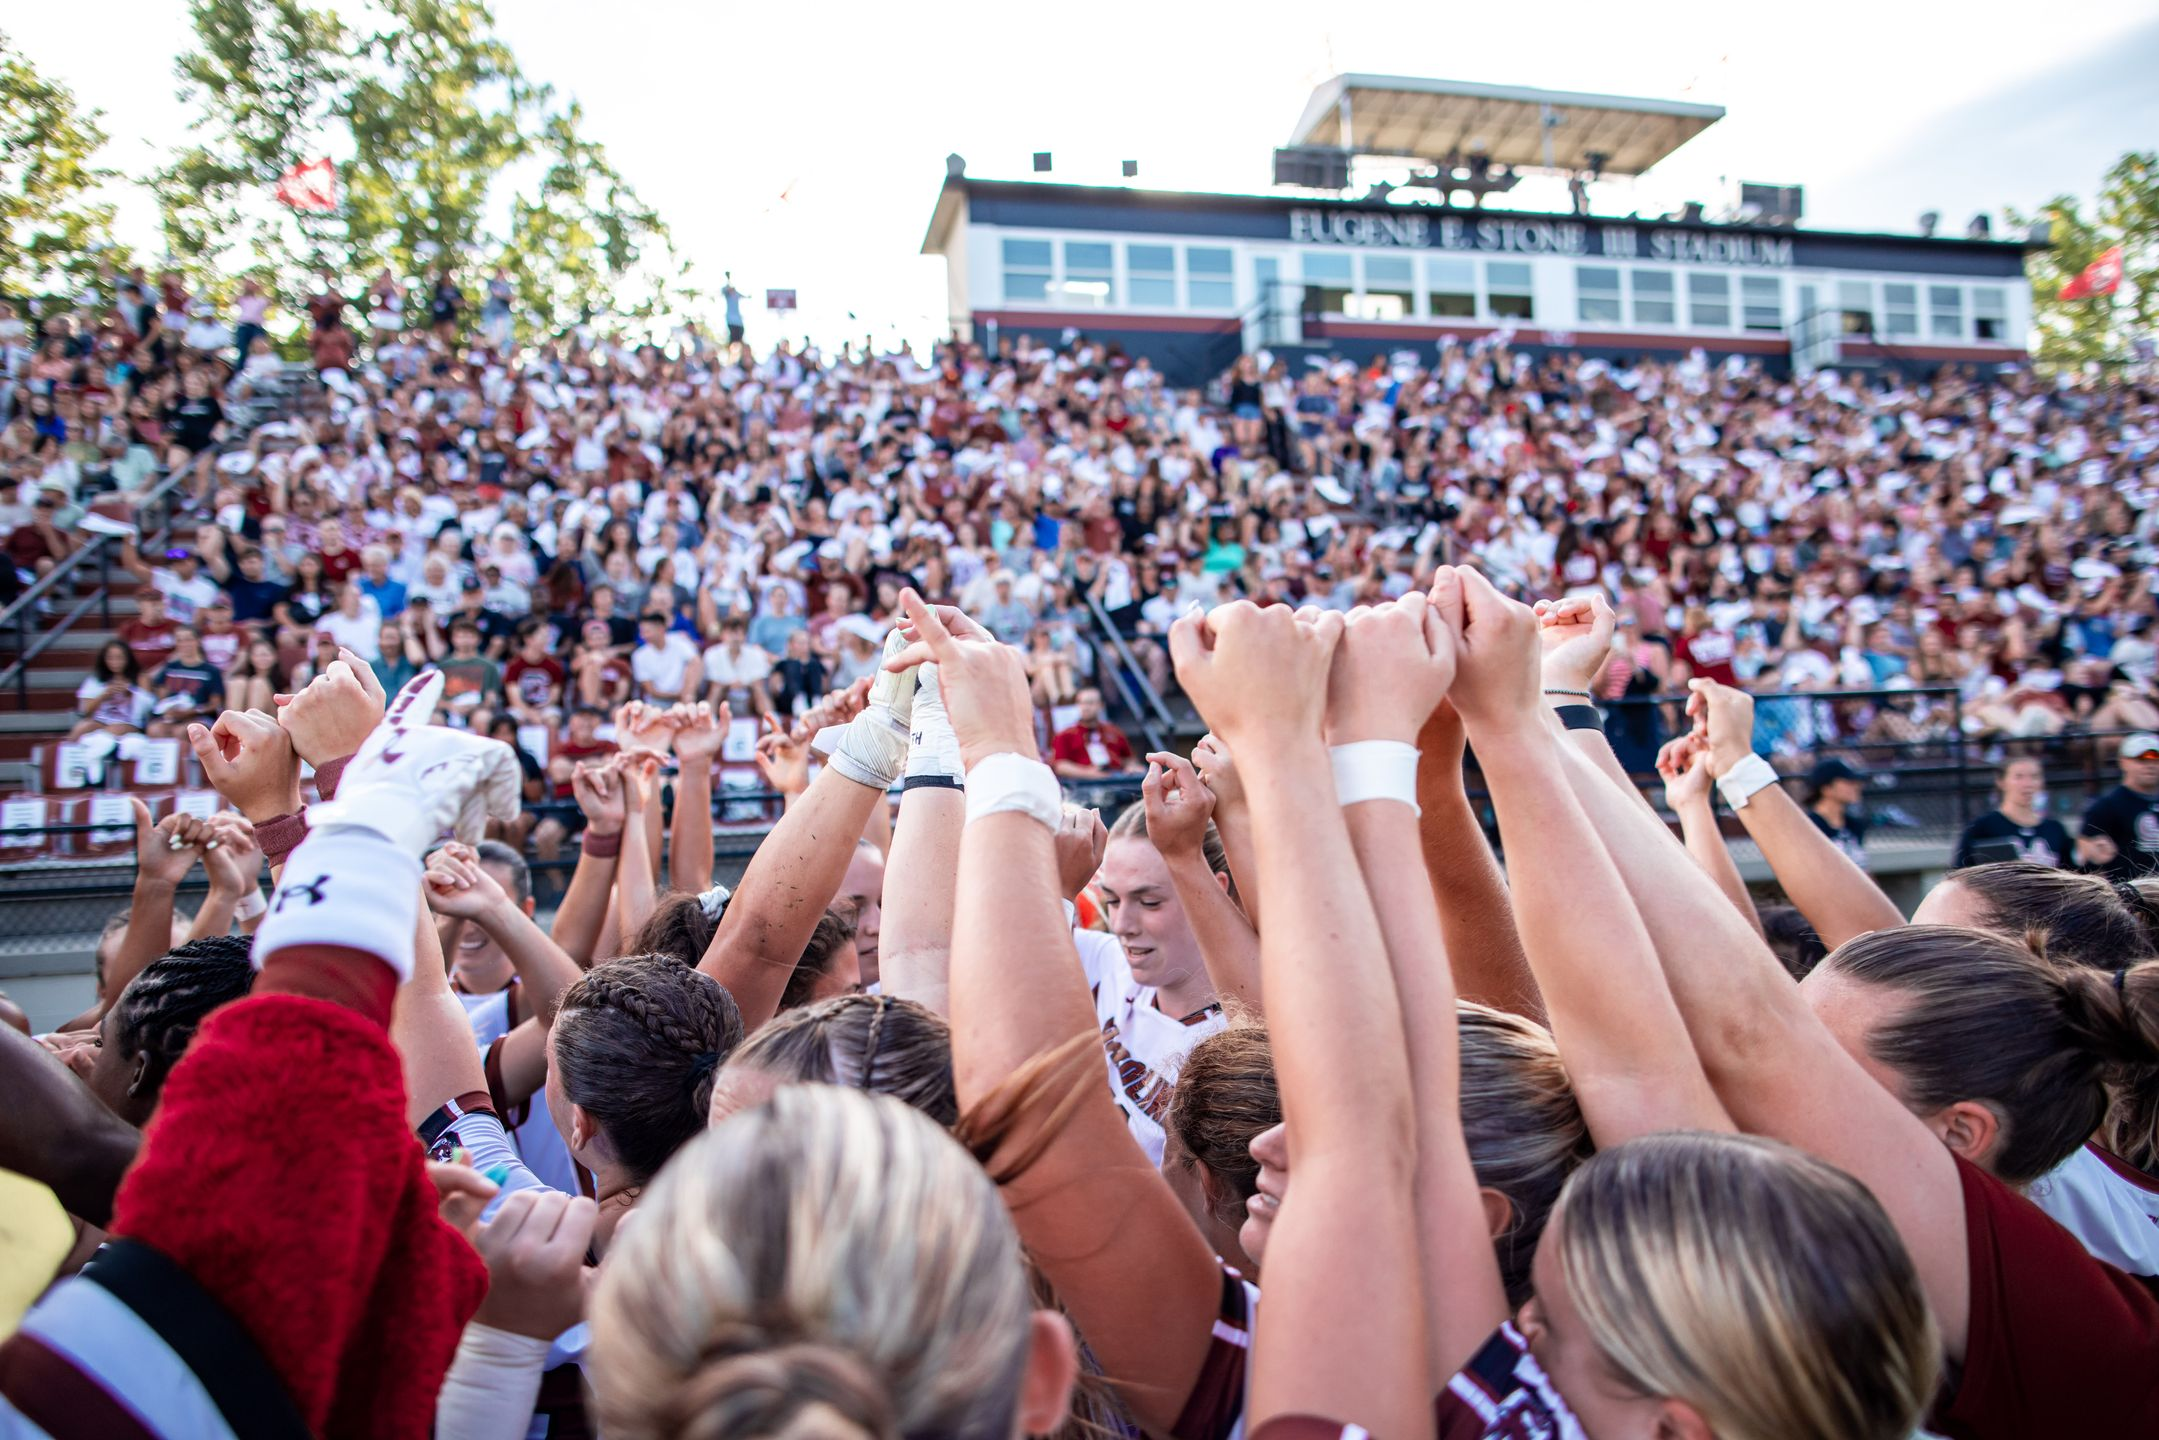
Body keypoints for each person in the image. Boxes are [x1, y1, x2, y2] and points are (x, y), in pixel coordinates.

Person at [1955, 755, 2082, 869]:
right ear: (2001, 782)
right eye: (2019, 777)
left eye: (2034, 777)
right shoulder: (1982, 827)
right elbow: (1959, 872)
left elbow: (2072, 874)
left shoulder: (2055, 828)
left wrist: (2092, 859)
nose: (2027, 784)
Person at [2081, 731, 2159, 881]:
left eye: (2155, 760)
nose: (2150, 766)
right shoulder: (2106, 806)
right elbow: (2087, 859)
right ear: (2123, 762)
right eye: (2141, 760)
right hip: (2129, 892)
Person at [1049, 687, 1136, 779]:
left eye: (1090, 703)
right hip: (1083, 786)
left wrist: (1131, 768)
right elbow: (1060, 766)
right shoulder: (1064, 735)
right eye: (1081, 703)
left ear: (1101, 705)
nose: (1085, 707)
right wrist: (1088, 773)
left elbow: (1128, 759)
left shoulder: (1114, 731)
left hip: (1115, 780)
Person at [1803, 754, 1869, 862]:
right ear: (1826, 788)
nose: (1857, 786)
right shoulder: (1809, 826)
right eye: (1849, 782)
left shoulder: (1854, 825)